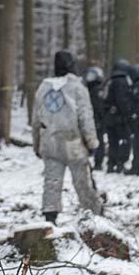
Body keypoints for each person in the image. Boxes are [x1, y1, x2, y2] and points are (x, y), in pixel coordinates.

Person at [32, 51, 103, 223]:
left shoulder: (43, 88)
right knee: (82, 181)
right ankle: (94, 215)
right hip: (73, 142)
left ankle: (50, 216)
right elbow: (85, 116)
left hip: (50, 141)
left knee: (52, 181)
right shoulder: (77, 87)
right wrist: (92, 142)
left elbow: (36, 119)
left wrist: (37, 145)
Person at [100, 60, 135, 172]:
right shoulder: (121, 81)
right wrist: (128, 115)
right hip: (120, 117)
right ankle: (120, 163)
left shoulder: (109, 81)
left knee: (112, 141)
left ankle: (111, 164)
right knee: (124, 141)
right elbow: (122, 101)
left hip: (109, 116)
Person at [83, 66, 108, 171]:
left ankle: (98, 162)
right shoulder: (87, 90)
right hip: (90, 119)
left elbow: (99, 107)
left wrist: (100, 119)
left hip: (96, 120)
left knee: (98, 142)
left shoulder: (97, 90)